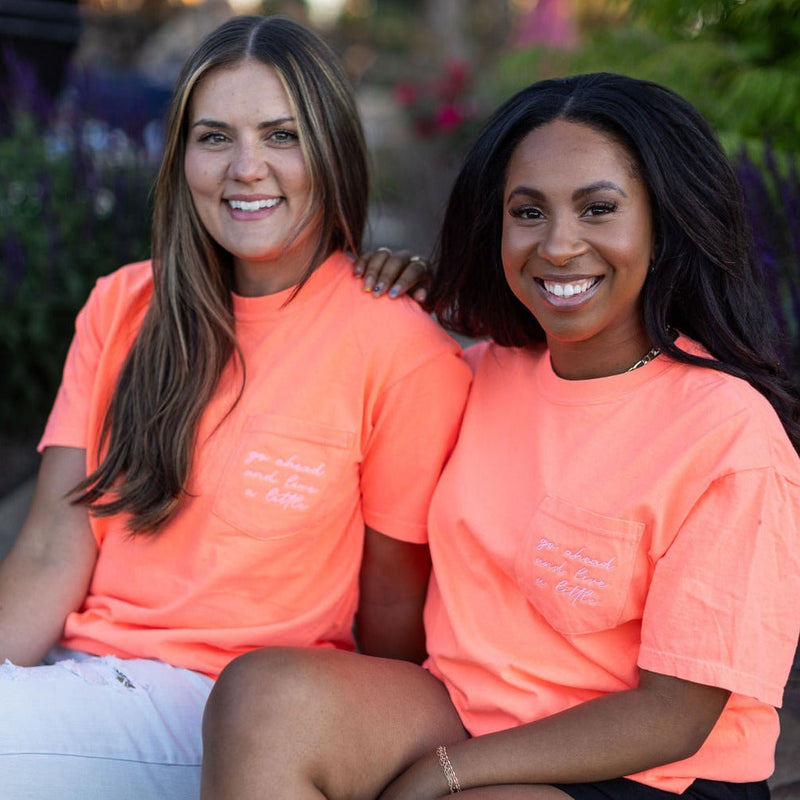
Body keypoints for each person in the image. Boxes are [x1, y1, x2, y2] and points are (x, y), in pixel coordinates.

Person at [199, 72, 800, 799]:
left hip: (647, 768)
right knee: (263, 696)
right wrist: (410, 296)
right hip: (461, 709)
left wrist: (446, 774)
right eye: (529, 212)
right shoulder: (480, 373)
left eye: (599, 209)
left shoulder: (728, 433)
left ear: (664, 221)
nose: (559, 244)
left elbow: (675, 715)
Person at [0, 15, 470, 799]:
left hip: (225, 716)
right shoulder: (124, 305)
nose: (246, 168)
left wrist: (359, 755)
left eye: (282, 135)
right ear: (182, 158)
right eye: (215, 137)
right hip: (75, 687)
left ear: (331, 152)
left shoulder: (398, 345)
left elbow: (393, 607)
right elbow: (51, 548)